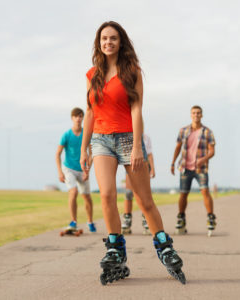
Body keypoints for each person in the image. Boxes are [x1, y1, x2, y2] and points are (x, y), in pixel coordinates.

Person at [80, 21, 185, 285]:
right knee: (106, 194)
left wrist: (138, 146)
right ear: (99, 42)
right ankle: (115, 248)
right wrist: (84, 148)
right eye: (104, 38)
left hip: (128, 138)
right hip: (101, 140)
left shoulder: (132, 72)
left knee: (144, 199)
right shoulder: (92, 74)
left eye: (113, 38)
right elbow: (91, 112)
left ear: (121, 41)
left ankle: (164, 245)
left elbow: (137, 111)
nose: (108, 43)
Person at [170, 105, 216, 236]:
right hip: (185, 167)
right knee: (183, 194)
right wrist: (173, 163)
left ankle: (210, 217)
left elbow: (212, 151)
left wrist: (204, 158)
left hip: (201, 168)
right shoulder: (183, 130)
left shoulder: (208, 132)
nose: (196, 115)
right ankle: (181, 217)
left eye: (198, 113)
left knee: (205, 191)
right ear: (191, 115)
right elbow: (178, 147)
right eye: (194, 113)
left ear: (201, 115)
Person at [56, 107, 96, 233]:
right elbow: (58, 154)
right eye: (76, 116)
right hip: (68, 168)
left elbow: (91, 152)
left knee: (87, 197)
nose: (78, 119)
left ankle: (90, 221)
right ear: (72, 118)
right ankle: (73, 221)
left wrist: (87, 171)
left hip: (82, 168)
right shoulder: (66, 135)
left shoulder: (86, 133)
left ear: (83, 118)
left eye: (80, 116)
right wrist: (60, 172)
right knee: (73, 192)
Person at [121, 133, 155, 235]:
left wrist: (152, 168)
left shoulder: (146, 137)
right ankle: (127, 220)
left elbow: (149, 154)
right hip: (130, 166)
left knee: (144, 195)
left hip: (144, 166)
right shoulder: (127, 135)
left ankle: (146, 221)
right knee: (128, 193)